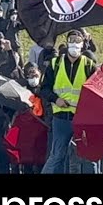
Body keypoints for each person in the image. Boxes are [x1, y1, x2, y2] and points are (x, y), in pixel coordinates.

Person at [40, 30, 96, 174]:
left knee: (89, 157)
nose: (75, 44)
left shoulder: (89, 65)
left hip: (82, 118)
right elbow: (44, 89)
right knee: (57, 155)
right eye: (72, 40)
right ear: (67, 42)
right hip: (61, 117)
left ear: (83, 44)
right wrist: (55, 99)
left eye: (78, 41)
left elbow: (97, 92)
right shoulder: (55, 63)